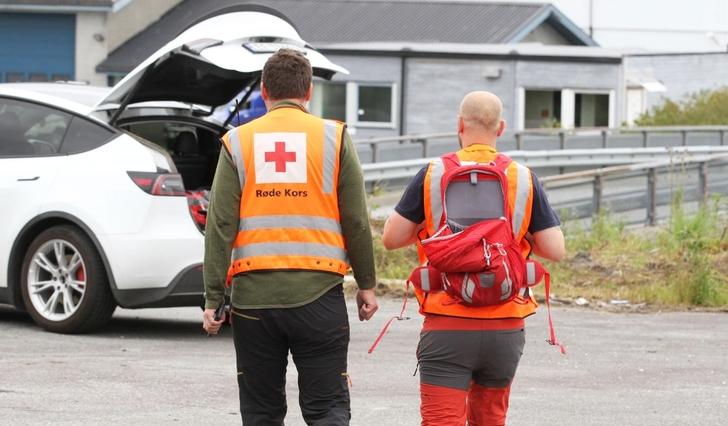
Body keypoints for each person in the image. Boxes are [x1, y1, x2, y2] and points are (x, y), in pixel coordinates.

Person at [202, 49, 378, 425]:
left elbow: (219, 225)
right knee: (326, 408)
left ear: (264, 90)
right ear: (308, 91)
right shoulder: (334, 137)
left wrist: (213, 298)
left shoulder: (237, 142)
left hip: (253, 302)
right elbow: (357, 221)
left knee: (261, 412)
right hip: (320, 297)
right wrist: (367, 284)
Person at [382, 91, 565, 426]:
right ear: (501, 128)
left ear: (459, 125)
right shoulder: (522, 178)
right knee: (490, 421)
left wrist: (428, 232)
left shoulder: (433, 174)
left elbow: (390, 239)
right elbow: (555, 249)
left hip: (447, 321)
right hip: (506, 327)